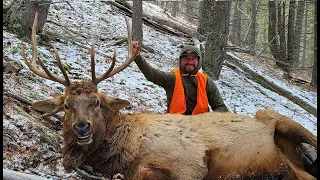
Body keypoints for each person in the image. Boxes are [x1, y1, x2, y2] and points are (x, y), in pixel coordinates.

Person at [132, 41, 229, 115]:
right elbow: (152, 75)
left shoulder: (206, 81)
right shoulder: (172, 78)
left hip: (200, 128)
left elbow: (220, 107)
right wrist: (137, 58)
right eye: (186, 59)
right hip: (175, 127)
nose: (189, 62)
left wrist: (210, 120)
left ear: (198, 61)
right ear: (180, 60)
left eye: (193, 59)